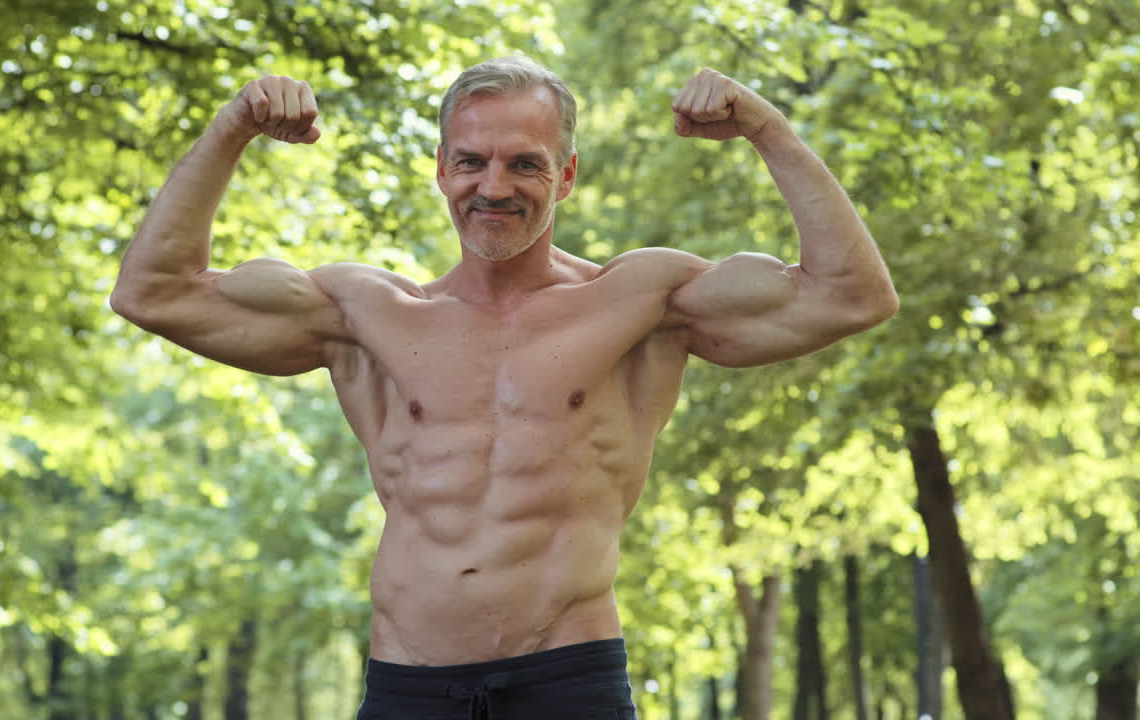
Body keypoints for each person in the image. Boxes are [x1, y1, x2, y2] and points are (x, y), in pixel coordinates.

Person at [111, 56, 897, 719]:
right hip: (407, 685)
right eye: (471, 161)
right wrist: (231, 128)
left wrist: (768, 128)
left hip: (568, 679)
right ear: (442, 168)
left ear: (568, 175)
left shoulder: (640, 303)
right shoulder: (364, 315)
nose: (494, 186)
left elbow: (851, 295)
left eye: (525, 163)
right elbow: (155, 293)